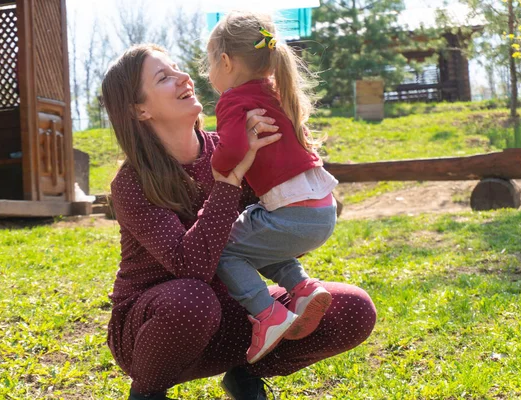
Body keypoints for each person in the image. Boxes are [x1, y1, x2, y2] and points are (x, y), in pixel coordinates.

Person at [102, 43, 376, 400]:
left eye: (177, 67)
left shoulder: (235, 143)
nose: (184, 76)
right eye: (164, 77)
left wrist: (295, 168)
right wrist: (229, 180)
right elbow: (192, 266)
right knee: (193, 298)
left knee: (352, 308)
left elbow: (271, 236)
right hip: (157, 326)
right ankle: (148, 392)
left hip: (240, 311)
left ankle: (246, 373)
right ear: (140, 109)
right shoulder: (133, 181)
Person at [207, 12, 341, 364]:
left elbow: (233, 151)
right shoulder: (278, 91)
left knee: (224, 249)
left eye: (209, 64)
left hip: (293, 216)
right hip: (323, 210)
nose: (208, 74)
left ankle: (268, 315)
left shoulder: (233, 100)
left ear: (225, 61)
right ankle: (302, 288)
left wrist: (216, 166)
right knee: (261, 237)